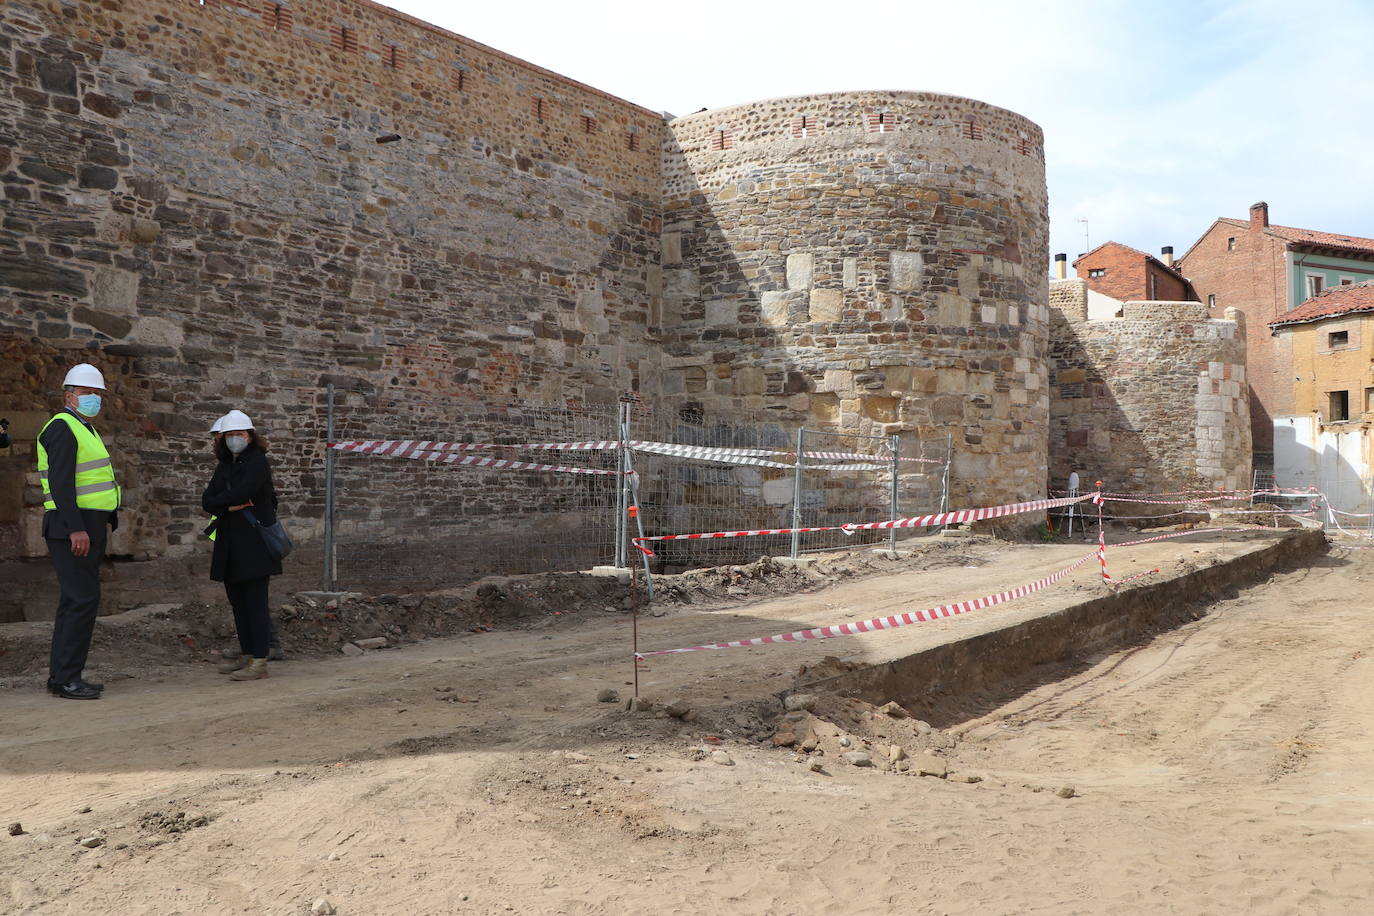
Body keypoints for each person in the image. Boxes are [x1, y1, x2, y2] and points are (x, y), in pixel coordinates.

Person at [36, 363, 120, 700]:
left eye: (97, 395)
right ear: (70, 396)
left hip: (87, 524)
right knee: (82, 599)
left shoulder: (83, 427)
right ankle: (67, 679)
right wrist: (76, 529)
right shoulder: (62, 427)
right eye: (87, 394)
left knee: (76, 600)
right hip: (74, 527)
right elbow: (60, 483)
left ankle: (63, 676)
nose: (94, 400)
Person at [201, 410, 281, 681]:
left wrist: (224, 502)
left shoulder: (257, 462)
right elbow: (206, 500)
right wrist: (229, 505)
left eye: (240, 434)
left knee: (255, 603)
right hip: (229, 542)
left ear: (250, 435)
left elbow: (243, 492)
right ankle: (248, 653)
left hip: (253, 543)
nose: (236, 439)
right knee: (238, 603)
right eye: (231, 435)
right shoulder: (226, 464)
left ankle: (260, 660)